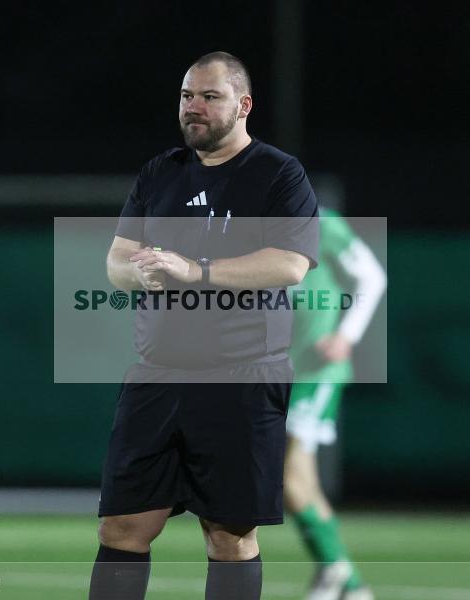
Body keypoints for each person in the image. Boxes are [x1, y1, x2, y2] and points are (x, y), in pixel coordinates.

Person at [89, 51, 319, 600]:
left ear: (243, 106)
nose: (194, 107)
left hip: (240, 377)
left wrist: (195, 271)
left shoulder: (278, 173)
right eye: (187, 96)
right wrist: (139, 274)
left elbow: (290, 264)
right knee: (122, 527)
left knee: (229, 537)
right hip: (157, 377)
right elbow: (117, 261)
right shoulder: (159, 172)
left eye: (209, 97)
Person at [286, 207, 386, 600]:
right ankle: (350, 585)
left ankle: (334, 568)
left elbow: (373, 277)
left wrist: (347, 335)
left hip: (317, 371)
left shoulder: (317, 222)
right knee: (300, 480)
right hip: (283, 373)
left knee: (287, 474)